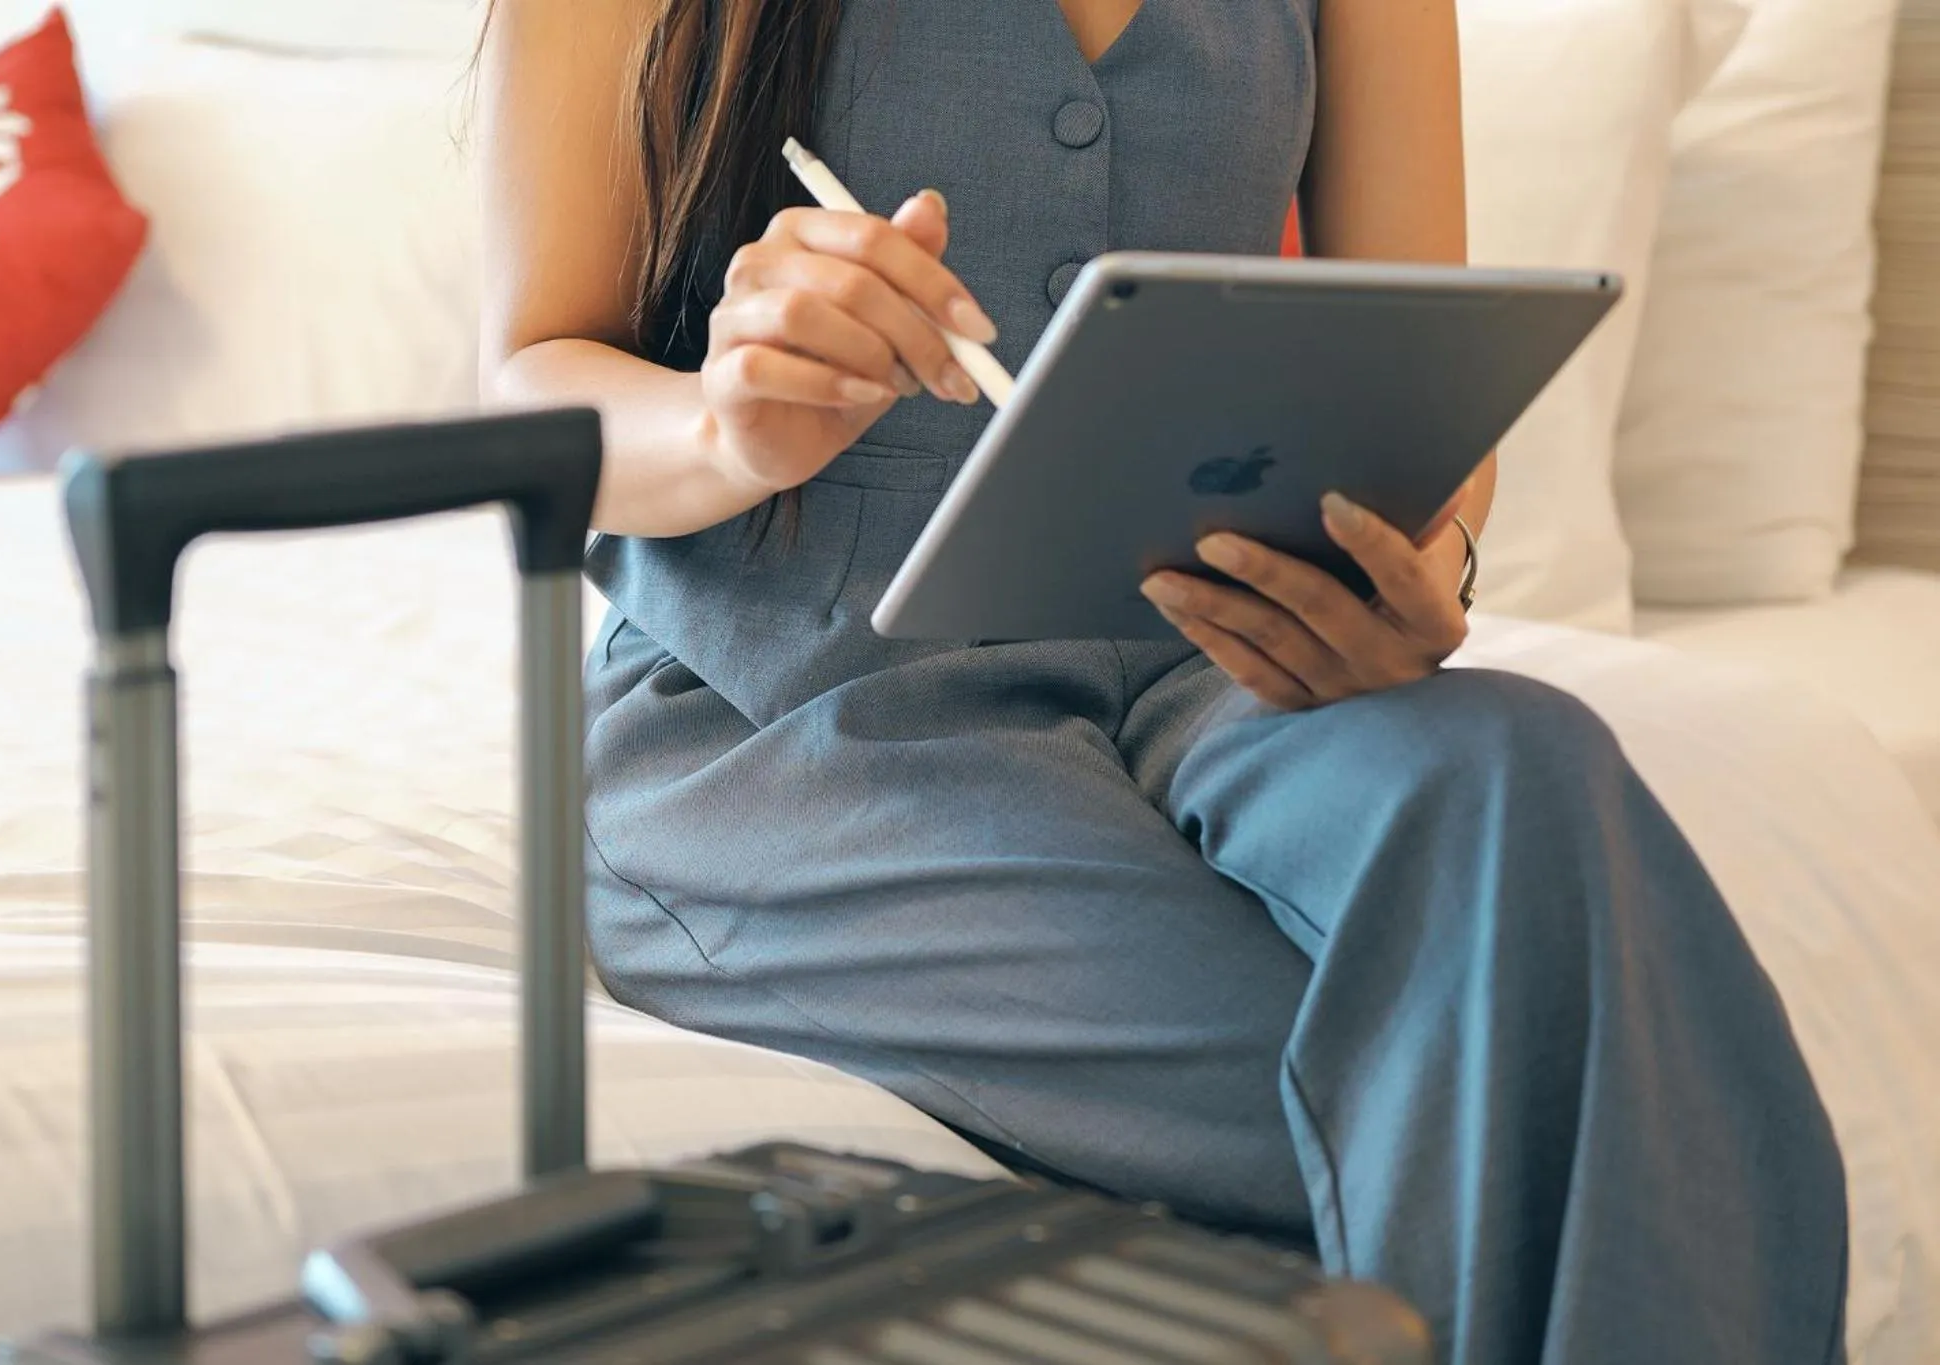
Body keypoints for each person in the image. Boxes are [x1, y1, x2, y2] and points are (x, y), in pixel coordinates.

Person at [475, 2, 1849, 1360]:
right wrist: (730, 427)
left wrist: (1411, 567)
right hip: (787, 715)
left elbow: (1419, 389)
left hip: (1226, 656)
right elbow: (528, 380)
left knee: (1522, 758)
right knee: (1586, 1103)